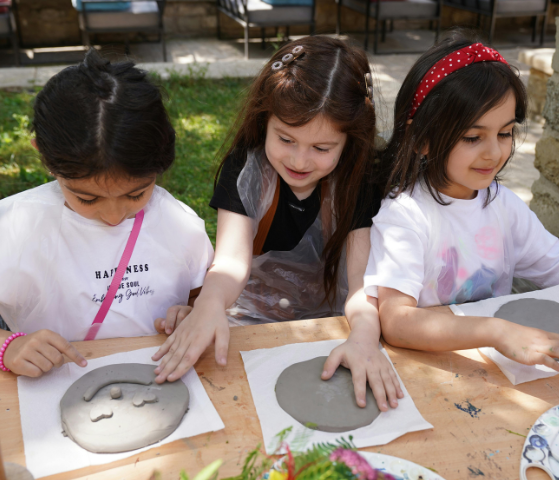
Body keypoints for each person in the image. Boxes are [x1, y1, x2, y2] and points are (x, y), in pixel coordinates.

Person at [152, 36, 404, 412]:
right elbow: (231, 264)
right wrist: (209, 305)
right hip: (250, 320)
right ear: (263, 120)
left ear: (351, 142)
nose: (300, 160)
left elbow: (359, 286)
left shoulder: (359, 180)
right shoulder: (245, 170)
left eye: (322, 148)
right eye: (285, 139)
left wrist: (365, 338)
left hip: (330, 328)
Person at [364, 32, 559, 372]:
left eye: (505, 133)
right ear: (422, 139)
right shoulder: (405, 216)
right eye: (472, 137)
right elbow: (397, 323)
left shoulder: (504, 207)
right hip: (432, 373)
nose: (494, 153)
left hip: (497, 371)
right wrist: (497, 331)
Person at [0, 49, 213, 378]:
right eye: (87, 198)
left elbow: (204, 299)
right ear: (44, 158)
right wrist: (6, 347)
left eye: (136, 194)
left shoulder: (179, 224)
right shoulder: (16, 229)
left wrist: (193, 314)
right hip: (52, 392)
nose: (114, 216)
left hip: (159, 384)